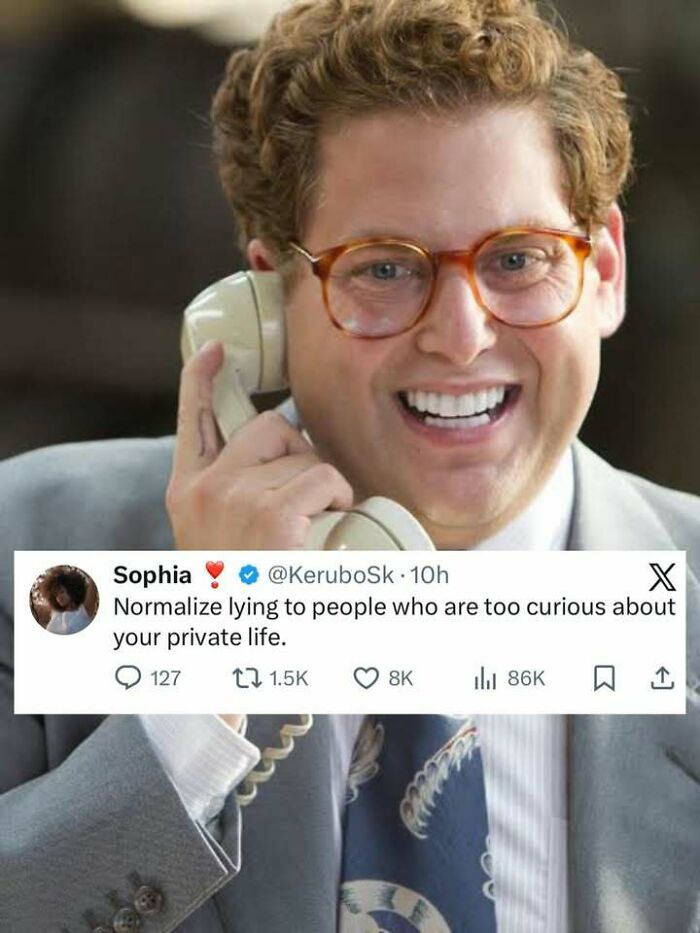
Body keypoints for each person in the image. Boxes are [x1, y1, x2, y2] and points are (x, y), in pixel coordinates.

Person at [0, 0, 698, 931]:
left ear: (603, 271)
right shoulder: (44, 557)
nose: (461, 336)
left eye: (519, 258)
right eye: (383, 268)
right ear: (267, 302)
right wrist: (209, 667)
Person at [40, 567, 93, 635]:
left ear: (72, 590)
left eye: (61, 592)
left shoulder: (84, 611)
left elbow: (92, 586)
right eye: (56, 595)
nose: (59, 597)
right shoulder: (55, 613)